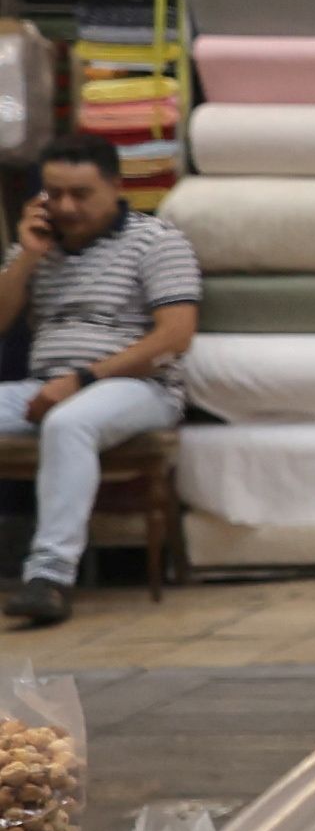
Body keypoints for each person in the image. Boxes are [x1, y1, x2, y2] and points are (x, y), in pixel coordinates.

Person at [0, 139, 191, 624]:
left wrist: (81, 379)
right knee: (64, 415)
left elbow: (175, 337)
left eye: (81, 194)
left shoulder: (157, 241)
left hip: (140, 387)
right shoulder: (38, 245)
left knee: (70, 423)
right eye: (55, 193)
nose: (66, 207)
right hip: (46, 385)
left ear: (115, 187)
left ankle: (50, 578)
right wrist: (27, 257)